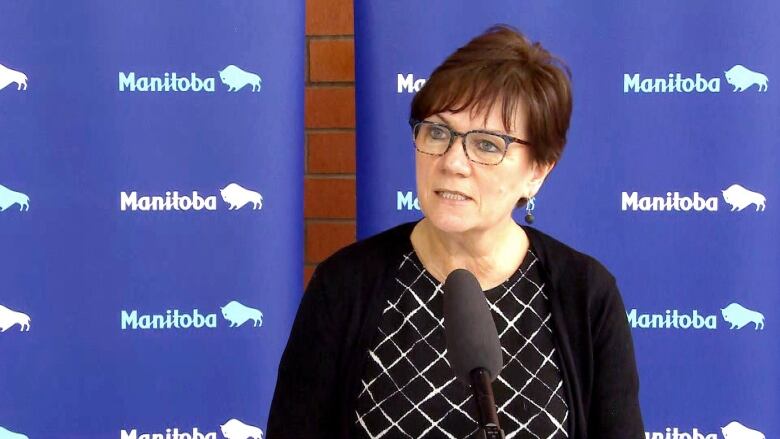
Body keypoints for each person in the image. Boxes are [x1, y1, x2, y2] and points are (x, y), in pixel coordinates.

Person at [268, 25, 643, 438]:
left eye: (486, 144)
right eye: (438, 132)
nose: (452, 162)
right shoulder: (344, 286)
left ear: (537, 171)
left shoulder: (586, 294)